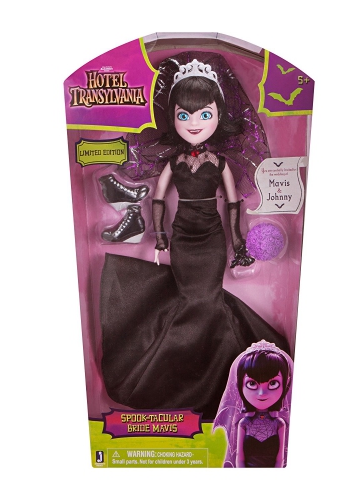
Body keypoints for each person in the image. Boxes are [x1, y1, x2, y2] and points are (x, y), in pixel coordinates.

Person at [100, 53, 289, 420]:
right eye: (183, 115)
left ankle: (220, 370)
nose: (194, 123)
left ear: (219, 114)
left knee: (208, 297)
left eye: (204, 114)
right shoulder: (174, 163)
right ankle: (177, 365)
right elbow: (158, 198)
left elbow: (232, 203)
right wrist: (159, 235)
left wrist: (237, 242)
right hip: (183, 235)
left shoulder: (219, 163)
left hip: (212, 238)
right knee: (190, 297)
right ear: (172, 117)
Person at [213, 340, 293, 467]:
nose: (262, 393)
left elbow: (280, 459)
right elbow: (239, 457)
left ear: (285, 383)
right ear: (240, 385)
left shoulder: (279, 423)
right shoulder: (244, 423)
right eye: (252, 384)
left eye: (273, 384)